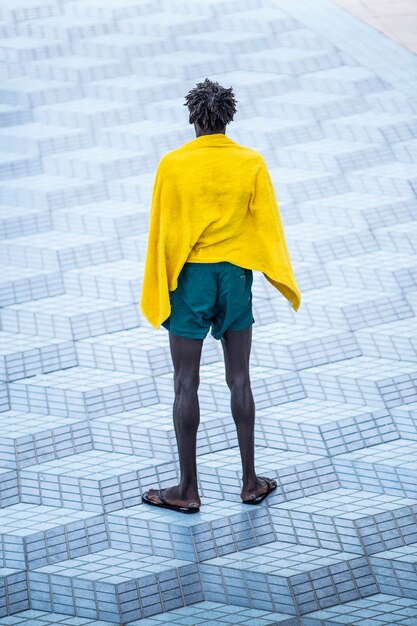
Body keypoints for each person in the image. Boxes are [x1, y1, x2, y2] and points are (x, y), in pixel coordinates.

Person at [140, 78, 301, 514]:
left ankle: (187, 489)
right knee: (240, 379)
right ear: (229, 117)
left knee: (185, 383)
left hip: (191, 279)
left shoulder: (173, 164)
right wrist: (275, 274)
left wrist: (161, 284)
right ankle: (250, 481)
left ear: (194, 116)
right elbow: (266, 225)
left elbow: (163, 231)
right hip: (234, 277)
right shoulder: (251, 162)